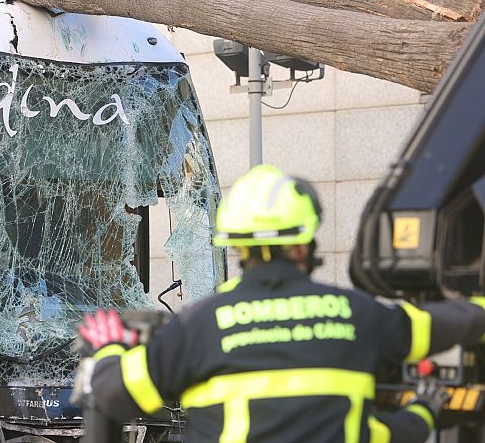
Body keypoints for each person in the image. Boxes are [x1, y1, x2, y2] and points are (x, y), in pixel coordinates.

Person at [78, 164, 485, 442]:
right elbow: (448, 323)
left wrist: (109, 347)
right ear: (304, 244)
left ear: (237, 247)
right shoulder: (357, 315)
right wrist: (425, 411)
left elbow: (113, 394)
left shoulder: (198, 327)